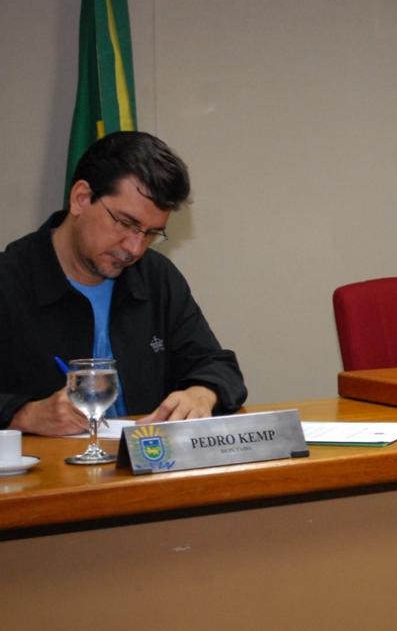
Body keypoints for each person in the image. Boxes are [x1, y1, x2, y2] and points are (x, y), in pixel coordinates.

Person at [0, 131, 247, 436]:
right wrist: (25, 414)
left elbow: (217, 366)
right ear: (81, 199)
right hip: (48, 465)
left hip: (147, 458)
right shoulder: (9, 280)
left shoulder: (155, 277)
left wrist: (202, 393)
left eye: (151, 233)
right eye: (126, 223)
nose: (134, 248)